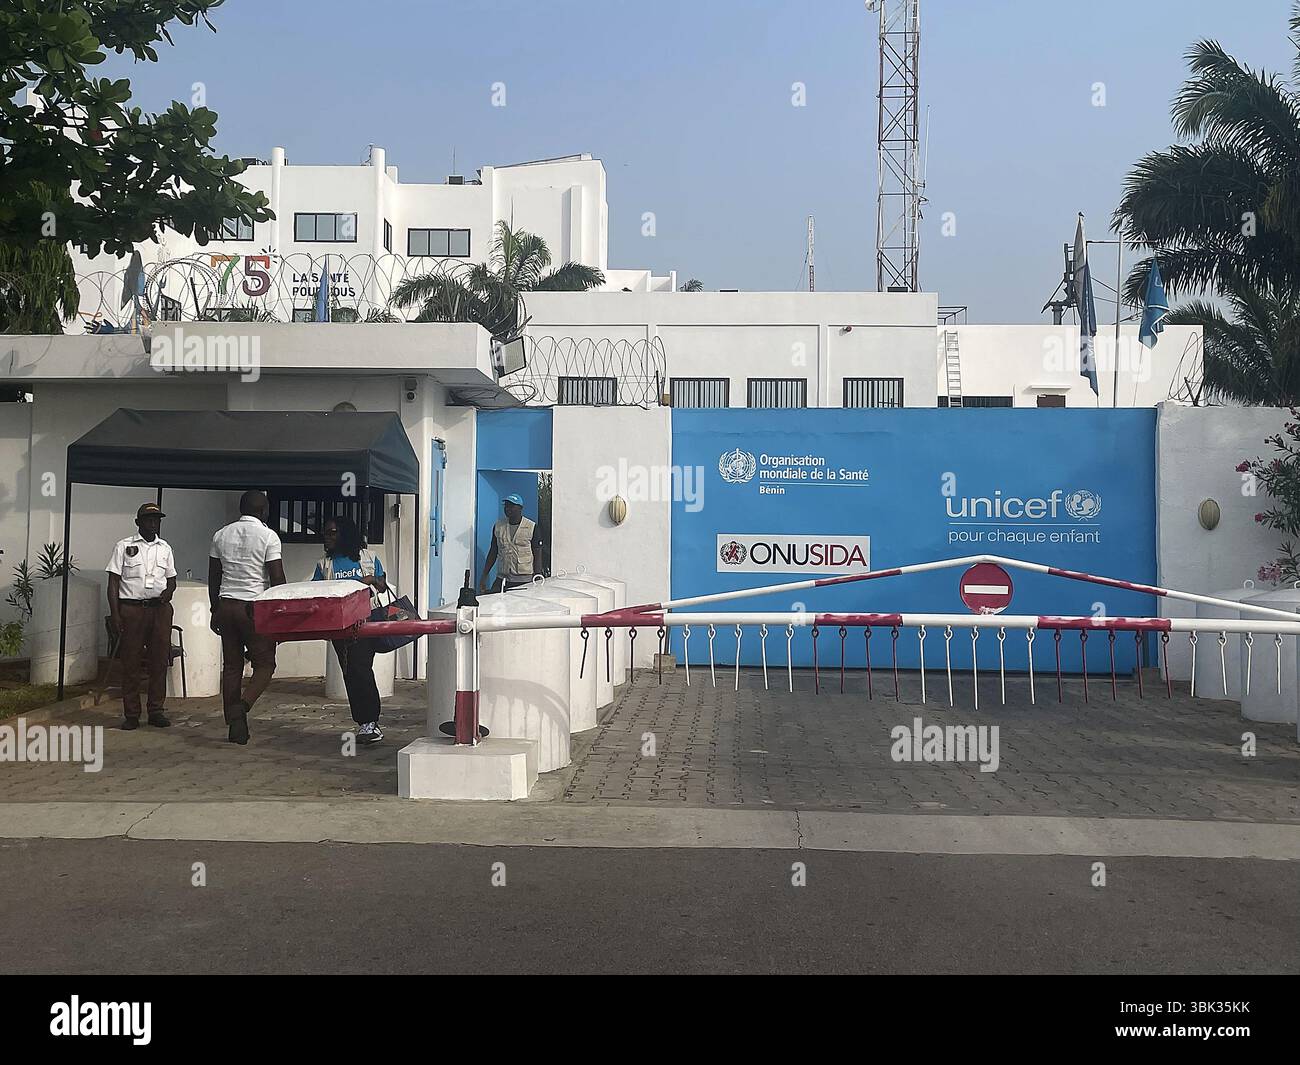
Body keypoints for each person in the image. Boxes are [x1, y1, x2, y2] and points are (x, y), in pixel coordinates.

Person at [208, 490, 286, 745]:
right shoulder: (268, 536)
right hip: (254, 608)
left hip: (227, 606)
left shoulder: (221, 534)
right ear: (263, 511)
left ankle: (236, 728)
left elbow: (214, 576)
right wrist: (279, 614)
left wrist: (214, 609)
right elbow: (276, 578)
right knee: (265, 665)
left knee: (232, 667)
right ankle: (242, 706)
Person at [312, 515, 388, 745]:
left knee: (361, 669)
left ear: (345, 534)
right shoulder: (324, 564)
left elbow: (383, 587)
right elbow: (317, 594)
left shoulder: (368, 558)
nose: (327, 537)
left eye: (332, 532)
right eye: (326, 533)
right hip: (340, 626)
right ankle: (364, 721)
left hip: (366, 621)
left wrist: (372, 579)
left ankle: (370, 721)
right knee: (350, 672)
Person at [105, 502, 177, 730]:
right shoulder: (124, 546)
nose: (153, 524)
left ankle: (156, 710)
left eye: (156, 520)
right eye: (148, 520)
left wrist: (169, 591)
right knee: (131, 662)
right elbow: (113, 582)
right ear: (138, 522)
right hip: (132, 610)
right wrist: (115, 614)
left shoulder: (165, 548)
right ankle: (132, 714)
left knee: (158, 661)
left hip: (159, 610)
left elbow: (172, 578)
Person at [479, 492, 546, 592]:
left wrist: (538, 576)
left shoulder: (532, 527)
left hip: (524, 580)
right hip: (503, 578)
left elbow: (537, 553)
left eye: (511, 506)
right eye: (506, 506)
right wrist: (484, 575)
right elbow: (493, 552)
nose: (508, 508)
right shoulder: (498, 526)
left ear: (520, 508)